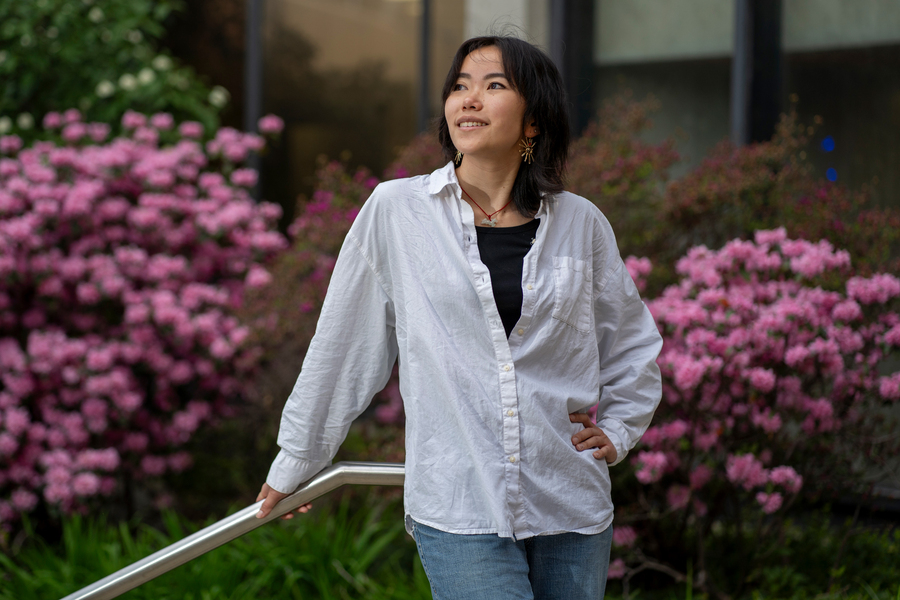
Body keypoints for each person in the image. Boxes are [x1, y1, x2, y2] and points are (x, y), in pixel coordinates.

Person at [255, 36, 663, 599]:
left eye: (494, 85)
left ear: (533, 122)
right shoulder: (397, 211)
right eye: (459, 86)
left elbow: (632, 343)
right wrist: (295, 462)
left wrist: (618, 430)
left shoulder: (580, 222)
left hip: (570, 502)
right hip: (458, 505)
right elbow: (345, 345)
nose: (468, 99)